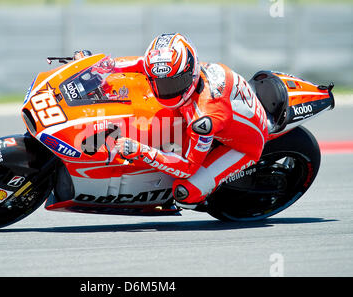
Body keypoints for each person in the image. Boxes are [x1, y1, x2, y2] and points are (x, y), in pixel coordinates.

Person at [81, 32, 269, 209]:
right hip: (223, 110)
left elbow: (187, 168)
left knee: (185, 192)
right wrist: (95, 67)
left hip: (243, 145)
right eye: (159, 82)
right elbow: (138, 64)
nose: (166, 91)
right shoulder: (180, 68)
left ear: (191, 74)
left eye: (173, 84)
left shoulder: (204, 118)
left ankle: (207, 191)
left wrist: (140, 150)